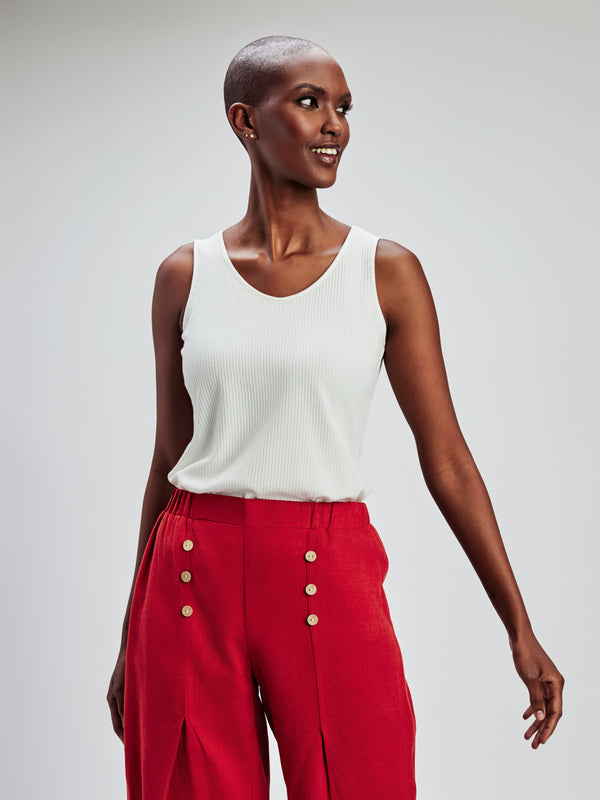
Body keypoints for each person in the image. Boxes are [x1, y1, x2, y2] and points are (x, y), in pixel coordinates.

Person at [106, 34, 564, 800]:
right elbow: (168, 457)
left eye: (343, 107)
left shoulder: (383, 272)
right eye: (309, 102)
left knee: (363, 780)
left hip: (328, 564)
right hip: (189, 572)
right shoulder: (185, 276)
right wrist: (130, 631)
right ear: (246, 120)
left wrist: (518, 625)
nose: (334, 125)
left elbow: (447, 457)